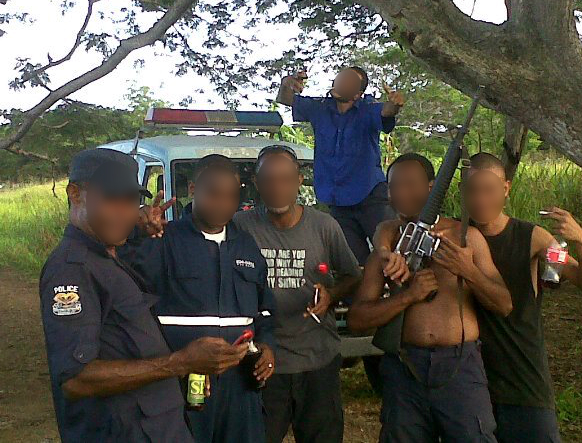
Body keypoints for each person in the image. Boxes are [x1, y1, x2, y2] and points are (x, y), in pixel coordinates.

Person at [39, 148, 248, 443]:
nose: (124, 212)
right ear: (75, 194)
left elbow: (127, 342)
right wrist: (179, 362)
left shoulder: (110, 255)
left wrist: (179, 372)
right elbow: (77, 379)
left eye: (131, 201)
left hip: (159, 426)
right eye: (111, 200)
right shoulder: (72, 269)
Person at [348, 153, 513, 443]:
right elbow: (358, 320)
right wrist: (408, 296)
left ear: (431, 187)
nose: (401, 193)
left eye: (410, 184)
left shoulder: (466, 237)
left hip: (460, 365)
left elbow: (504, 304)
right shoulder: (387, 245)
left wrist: (467, 270)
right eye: (394, 186)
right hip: (404, 366)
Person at [120, 155, 276, 443]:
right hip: (181, 383)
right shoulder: (164, 239)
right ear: (193, 189)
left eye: (230, 196)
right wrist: (136, 232)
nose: (222, 204)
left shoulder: (245, 246)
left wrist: (267, 346)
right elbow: (126, 286)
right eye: (213, 194)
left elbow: (265, 311)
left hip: (239, 386)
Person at [465, 152, 582, 443]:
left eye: (489, 190)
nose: (480, 199)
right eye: (472, 190)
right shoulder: (456, 235)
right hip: (471, 382)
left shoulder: (534, 238)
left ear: (506, 189)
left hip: (522, 376)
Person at [233, 145, 362, 443]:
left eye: (285, 179)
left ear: (299, 181)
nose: (277, 188)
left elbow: (352, 276)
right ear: (256, 183)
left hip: (317, 361)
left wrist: (330, 295)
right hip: (263, 362)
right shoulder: (241, 226)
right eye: (269, 180)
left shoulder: (324, 226)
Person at [276, 66, 405, 264]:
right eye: (340, 77)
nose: (340, 81)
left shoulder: (368, 109)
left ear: (357, 94)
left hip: (371, 197)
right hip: (337, 202)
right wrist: (286, 84)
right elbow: (286, 99)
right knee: (353, 264)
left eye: (349, 80)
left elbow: (386, 112)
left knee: (391, 254)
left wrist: (394, 105)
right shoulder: (319, 107)